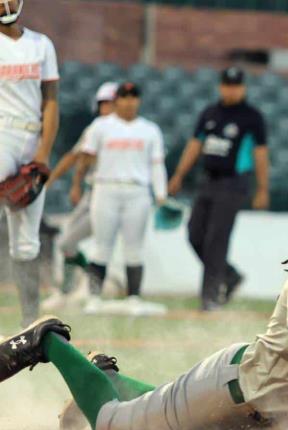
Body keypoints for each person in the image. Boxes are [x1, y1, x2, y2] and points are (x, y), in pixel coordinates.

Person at [0, 205, 288, 430]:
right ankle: (48, 342)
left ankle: (106, 377)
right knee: (118, 425)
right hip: (230, 392)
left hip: (276, 419)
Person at [168, 66, 269, 311]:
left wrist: (262, 188)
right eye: (227, 85)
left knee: (216, 239)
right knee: (195, 234)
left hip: (233, 183)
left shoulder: (252, 117)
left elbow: (260, 154)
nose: (231, 90)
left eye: (236, 85)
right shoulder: (210, 113)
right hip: (208, 180)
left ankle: (210, 298)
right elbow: (195, 145)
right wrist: (179, 174)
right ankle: (229, 275)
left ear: (243, 87)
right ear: (220, 86)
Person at [77, 82, 167, 316]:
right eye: (124, 97)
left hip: (137, 190)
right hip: (105, 187)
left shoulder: (149, 130)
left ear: (139, 100)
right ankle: (94, 297)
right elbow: (86, 158)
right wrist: (78, 183)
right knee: (101, 246)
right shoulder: (100, 126)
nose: (129, 102)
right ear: (116, 100)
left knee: (134, 247)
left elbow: (157, 165)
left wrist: (161, 194)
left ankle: (133, 297)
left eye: (133, 97)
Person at [0, 0, 60, 326]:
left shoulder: (41, 44)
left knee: (26, 244)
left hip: (31, 136)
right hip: (1, 133)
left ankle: (30, 325)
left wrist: (43, 154)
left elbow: (51, 101)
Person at [42, 81, 118, 310]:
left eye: (112, 103)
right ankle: (74, 287)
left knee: (71, 241)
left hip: (110, 195)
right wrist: (52, 179)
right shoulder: (95, 128)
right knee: (66, 241)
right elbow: (75, 157)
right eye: (104, 104)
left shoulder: (127, 130)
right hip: (91, 192)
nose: (108, 108)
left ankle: (90, 284)